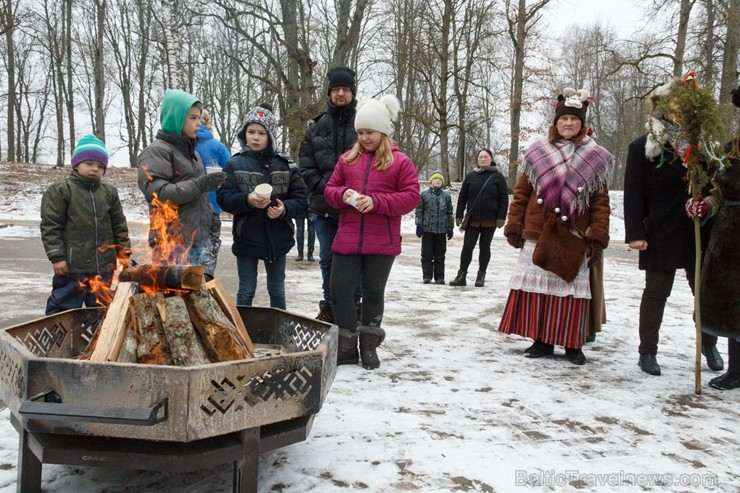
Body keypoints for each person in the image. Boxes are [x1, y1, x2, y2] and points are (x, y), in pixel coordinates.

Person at [498, 87, 614, 366]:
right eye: (564, 119)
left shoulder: (596, 156)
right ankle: (542, 341)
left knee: (571, 288)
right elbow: (522, 192)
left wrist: (598, 235)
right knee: (540, 290)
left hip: (574, 233)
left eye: (574, 120)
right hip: (539, 231)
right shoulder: (538, 152)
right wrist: (514, 223)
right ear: (556, 121)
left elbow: (600, 201)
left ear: (583, 124)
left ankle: (572, 344)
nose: (569, 124)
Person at [623, 78, 723, 376]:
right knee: (656, 291)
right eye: (673, 105)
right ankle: (647, 351)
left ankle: (708, 343)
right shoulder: (642, 147)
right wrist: (635, 234)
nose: (678, 110)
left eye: (684, 105)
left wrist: (703, 203)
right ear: (663, 108)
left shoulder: (704, 147)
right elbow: (633, 194)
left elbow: (718, 186)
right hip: (660, 230)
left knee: (704, 292)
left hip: (698, 229)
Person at [324, 94, 420, 369]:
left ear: (383, 132)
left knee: (373, 293)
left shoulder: (401, 162)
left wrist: (376, 202)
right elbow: (329, 190)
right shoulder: (347, 160)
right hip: (348, 237)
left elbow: (411, 197)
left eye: (370, 132)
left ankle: (369, 347)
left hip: (382, 241)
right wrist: (344, 195)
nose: (364, 137)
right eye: (360, 132)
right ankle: (347, 346)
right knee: (339, 292)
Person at [217, 104, 308, 309]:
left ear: (271, 136)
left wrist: (284, 209)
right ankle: (243, 334)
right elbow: (223, 198)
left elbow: (302, 199)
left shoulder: (286, 164)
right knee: (246, 290)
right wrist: (247, 200)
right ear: (244, 134)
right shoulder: (234, 164)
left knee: (277, 291)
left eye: (261, 133)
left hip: (278, 239)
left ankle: (280, 333)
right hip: (247, 239)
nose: (255, 137)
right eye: (251, 132)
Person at [138, 89, 226, 280]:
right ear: (176, 119)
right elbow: (158, 193)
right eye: (193, 118)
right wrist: (199, 185)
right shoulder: (157, 152)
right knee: (175, 301)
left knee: (197, 300)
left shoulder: (193, 154)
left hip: (197, 239)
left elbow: (199, 198)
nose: (199, 123)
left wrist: (211, 219)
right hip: (172, 242)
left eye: (199, 118)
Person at [685, 85, 740, 390]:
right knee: (731, 303)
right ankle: (736, 370)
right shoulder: (731, 150)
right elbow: (719, 192)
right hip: (729, 238)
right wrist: (705, 205)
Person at [41, 134, 131, 315]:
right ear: (76, 164)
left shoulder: (109, 193)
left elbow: (119, 226)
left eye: (100, 166)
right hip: (73, 267)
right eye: (89, 163)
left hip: (104, 267)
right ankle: (56, 341)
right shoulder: (61, 190)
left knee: (101, 310)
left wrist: (123, 254)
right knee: (63, 307)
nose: (94, 169)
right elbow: (51, 226)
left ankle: (97, 341)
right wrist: (57, 257)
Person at [299, 66, 361, 323]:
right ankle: (331, 306)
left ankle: (355, 307)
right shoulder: (315, 127)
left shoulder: (363, 124)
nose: (340, 94)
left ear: (352, 92)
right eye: (336, 89)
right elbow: (305, 165)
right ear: (329, 93)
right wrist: (328, 187)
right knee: (327, 260)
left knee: (355, 261)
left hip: (355, 208)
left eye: (345, 89)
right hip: (323, 207)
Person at [449, 149, 508, 287]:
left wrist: (501, 217)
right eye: (480, 156)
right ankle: (461, 275)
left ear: (491, 159)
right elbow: (463, 196)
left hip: (490, 220)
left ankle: (481, 276)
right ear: (477, 159)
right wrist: (458, 215)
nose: (482, 159)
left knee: (485, 247)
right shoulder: (470, 176)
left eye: (485, 156)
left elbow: (503, 198)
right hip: (472, 219)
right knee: (467, 247)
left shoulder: (498, 177)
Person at [195, 108, 232, 278]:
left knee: (188, 260)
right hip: (212, 208)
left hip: (187, 209)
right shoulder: (217, 146)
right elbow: (231, 171)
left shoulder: (184, 144)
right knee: (208, 258)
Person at [415, 171, 454, 284]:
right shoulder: (424, 195)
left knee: (440, 255)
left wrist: (450, 228)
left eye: (440, 179)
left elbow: (449, 212)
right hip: (428, 230)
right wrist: (419, 225)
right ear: (431, 181)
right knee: (426, 254)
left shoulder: (446, 196)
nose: (438, 181)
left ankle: (439, 277)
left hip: (441, 231)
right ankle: (427, 276)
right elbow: (419, 210)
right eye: (435, 179)